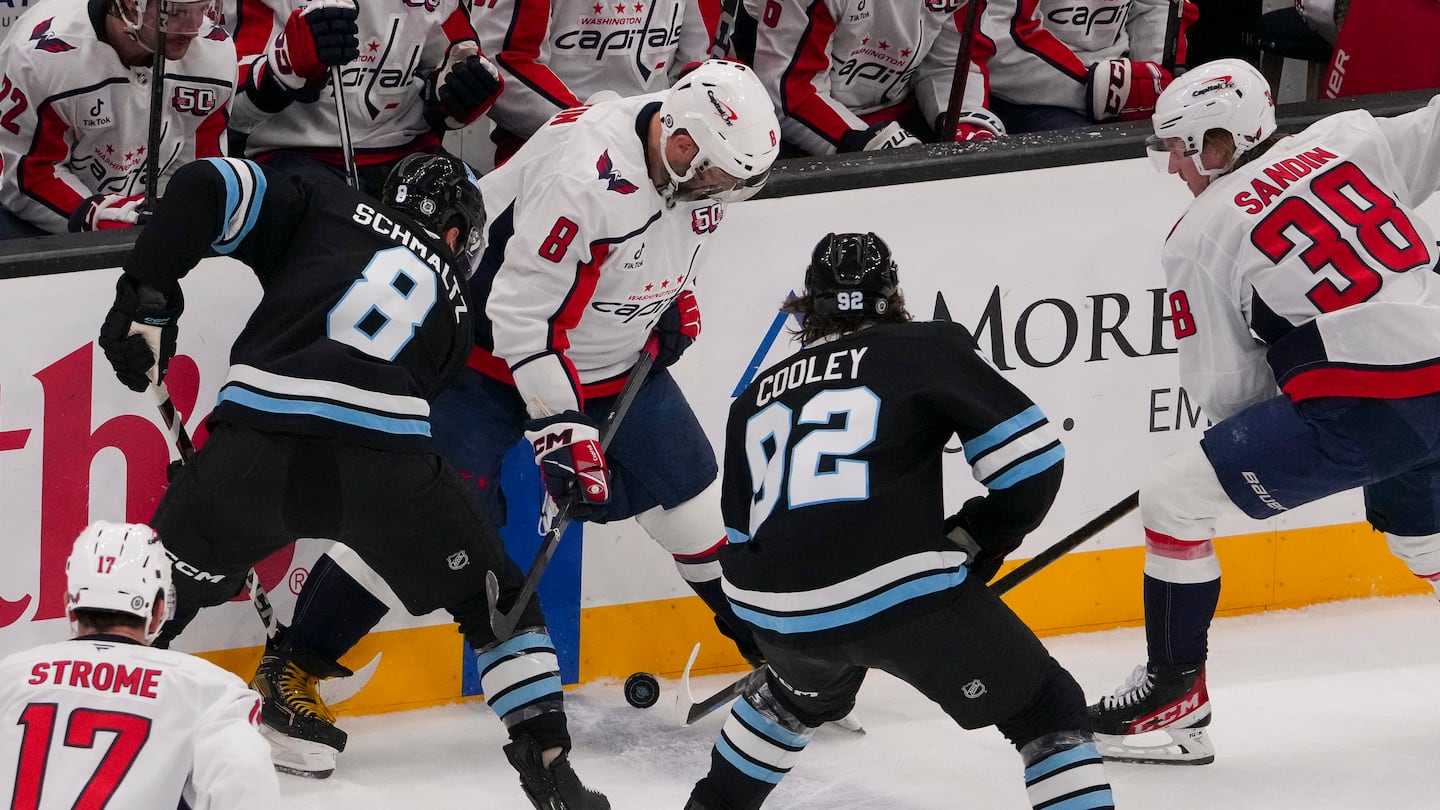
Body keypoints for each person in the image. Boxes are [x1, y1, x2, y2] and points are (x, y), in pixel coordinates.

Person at [263, 59, 782, 740]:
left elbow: (666, 239)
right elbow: (519, 317)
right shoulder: (586, 175)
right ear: (680, 142)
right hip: (482, 357)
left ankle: (785, 660)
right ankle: (293, 666)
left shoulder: (694, 149)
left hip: (607, 359)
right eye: (716, 173)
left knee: (686, 506)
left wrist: (670, 298)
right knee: (415, 517)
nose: (721, 189)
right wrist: (562, 427)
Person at [94, 152, 610, 808]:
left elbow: (202, 184)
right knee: (499, 607)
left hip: (254, 448)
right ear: (456, 235)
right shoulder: (455, 309)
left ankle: (83, 737)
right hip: (387, 469)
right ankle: (552, 772)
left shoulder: (324, 199)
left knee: (149, 599)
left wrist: (148, 288)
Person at [1087, 58, 1440, 765]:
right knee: (1422, 536)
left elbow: (1230, 394)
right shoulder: (1348, 136)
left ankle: (1173, 696)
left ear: (1223, 140)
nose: (1177, 167)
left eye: (1184, 149)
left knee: (1175, 497)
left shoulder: (1201, 232)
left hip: (1367, 396)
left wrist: (1260, 436)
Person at [683, 232, 1114, 810]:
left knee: (791, 700)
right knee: (1048, 711)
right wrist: (983, 537)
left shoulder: (753, 396)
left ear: (809, 307)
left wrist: (769, 623)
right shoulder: (922, 346)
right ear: (893, 296)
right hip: (895, 592)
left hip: (772, 609)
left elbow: (741, 535)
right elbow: (1032, 462)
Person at [0, 521, 278, 808]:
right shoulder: (211, 691)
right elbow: (246, 784)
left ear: (71, 605)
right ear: (159, 610)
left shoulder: (9, 677)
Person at [0, 0, 235, 238]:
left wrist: (168, 216)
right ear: (130, 5)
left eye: (202, 8)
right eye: (176, 11)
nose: (195, 28)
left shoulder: (214, 51)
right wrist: (104, 217)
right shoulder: (43, 56)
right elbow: (28, 173)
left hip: (139, 219)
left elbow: (197, 171)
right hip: (43, 221)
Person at [228, 0, 501, 194]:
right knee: (337, 244)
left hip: (409, 153)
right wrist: (282, 67)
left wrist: (458, 93)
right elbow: (224, 108)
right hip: (293, 154)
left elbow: (452, 59)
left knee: (486, 222)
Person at [472, 0, 722, 165]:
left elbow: (694, 66)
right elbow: (501, 64)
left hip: (660, 153)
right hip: (548, 151)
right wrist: (605, 131)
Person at [744, 0, 1006, 157]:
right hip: (798, 131)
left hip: (898, 115)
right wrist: (871, 142)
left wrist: (966, 121)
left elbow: (950, 62)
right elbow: (790, 93)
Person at [982, 0, 1198, 133]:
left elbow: (1156, 8)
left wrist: (1154, 85)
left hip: (1118, 80)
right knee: (1092, 159)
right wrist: (1096, 87)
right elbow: (1001, 40)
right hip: (1031, 95)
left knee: (1182, 136)